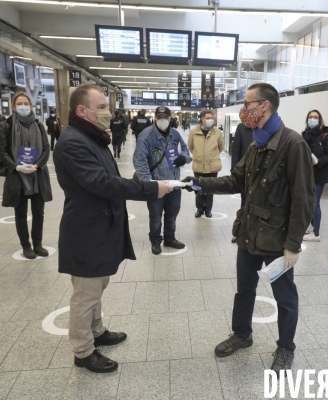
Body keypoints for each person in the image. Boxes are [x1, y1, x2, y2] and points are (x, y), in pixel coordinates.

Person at [182, 83, 314, 372]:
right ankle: (242, 334)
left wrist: (293, 245)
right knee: (244, 290)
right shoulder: (257, 144)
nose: (244, 110)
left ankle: (285, 347)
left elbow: (304, 200)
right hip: (249, 231)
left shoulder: (293, 145)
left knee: (285, 296)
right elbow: (235, 181)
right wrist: (197, 182)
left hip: (278, 239)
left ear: (264, 106)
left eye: (247, 104)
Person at [54, 84, 173, 374]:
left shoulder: (93, 138)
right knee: (85, 294)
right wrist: (149, 188)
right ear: (82, 110)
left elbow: (110, 177)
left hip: (101, 226)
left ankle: (97, 331)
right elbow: (102, 183)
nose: (109, 112)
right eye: (102, 107)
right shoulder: (73, 142)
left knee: (97, 287)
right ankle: (83, 351)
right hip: (86, 230)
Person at [0, 92, 53, 260]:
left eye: (26, 103)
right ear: (14, 106)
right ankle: (26, 245)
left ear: (30, 105)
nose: (23, 106)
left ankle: (37, 243)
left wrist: (38, 165)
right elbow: (2, 151)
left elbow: (45, 148)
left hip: (37, 175)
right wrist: (17, 167)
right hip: (17, 176)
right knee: (20, 213)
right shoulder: (5, 125)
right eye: (19, 103)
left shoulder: (38, 124)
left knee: (38, 212)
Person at [133, 106, 191, 255]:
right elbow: (139, 162)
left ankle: (170, 238)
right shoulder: (146, 136)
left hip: (173, 184)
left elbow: (186, 150)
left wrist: (184, 157)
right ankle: (155, 241)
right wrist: (149, 184)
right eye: (159, 117)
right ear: (155, 118)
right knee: (156, 216)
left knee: (172, 214)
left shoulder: (175, 134)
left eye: (165, 117)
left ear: (170, 118)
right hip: (156, 185)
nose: (162, 120)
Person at [301, 110, 328, 242]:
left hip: (320, 174)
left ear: (320, 120)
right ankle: (311, 226)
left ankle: (316, 234)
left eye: (315, 117)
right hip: (307, 173)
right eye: (310, 117)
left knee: (315, 203)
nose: (313, 119)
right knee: (308, 201)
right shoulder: (305, 135)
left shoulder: (326, 136)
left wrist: (318, 161)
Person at [188, 110, 224, 218]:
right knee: (198, 188)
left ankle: (208, 209)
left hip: (212, 166)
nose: (210, 120)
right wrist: (199, 155)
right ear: (202, 119)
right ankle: (200, 209)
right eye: (208, 118)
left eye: (211, 118)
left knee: (210, 189)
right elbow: (190, 146)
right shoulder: (194, 132)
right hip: (198, 166)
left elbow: (221, 147)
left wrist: (211, 156)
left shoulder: (217, 132)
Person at [229, 122, 254, 243]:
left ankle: (255, 233)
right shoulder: (242, 127)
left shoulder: (266, 126)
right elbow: (236, 150)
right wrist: (234, 171)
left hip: (263, 174)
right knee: (244, 204)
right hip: (246, 172)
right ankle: (240, 232)